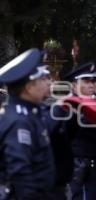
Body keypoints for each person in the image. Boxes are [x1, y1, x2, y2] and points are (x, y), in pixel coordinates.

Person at [0, 49, 56, 199]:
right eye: (43, 79)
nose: (48, 82)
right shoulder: (19, 121)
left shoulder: (31, 113)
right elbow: (21, 175)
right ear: (29, 87)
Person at [64, 63, 96, 200]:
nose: (91, 85)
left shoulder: (95, 105)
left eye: (91, 81)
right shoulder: (69, 107)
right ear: (74, 86)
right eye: (86, 81)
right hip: (80, 165)